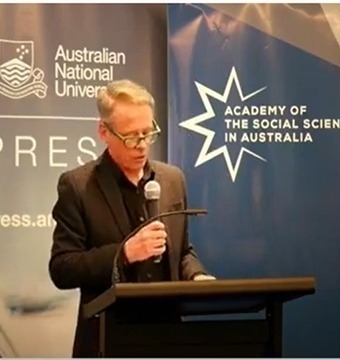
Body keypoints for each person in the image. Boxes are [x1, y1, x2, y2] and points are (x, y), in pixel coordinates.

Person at [49, 79, 214, 358]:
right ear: (103, 131)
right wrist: (124, 253)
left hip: (169, 340)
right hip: (108, 341)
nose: (141, 145)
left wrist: (196, 275)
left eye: (148, 134)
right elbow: (62, 268)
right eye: (130, 137)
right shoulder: (77, 186)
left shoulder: (172, 180)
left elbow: (182, 251)